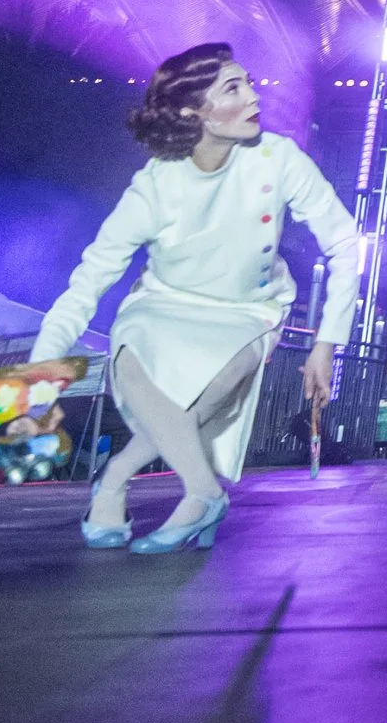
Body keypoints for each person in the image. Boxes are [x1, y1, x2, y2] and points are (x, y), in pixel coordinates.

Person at [28, 42, 360, 553]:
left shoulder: (279, 159)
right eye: (233, 88)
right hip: (162, 305)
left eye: (249, 82)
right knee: (135, 360)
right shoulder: (154, 187)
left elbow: (344, 243)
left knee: (200, 395)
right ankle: (204, 493)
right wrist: (38, 380)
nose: (253, 97)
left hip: (251, 311)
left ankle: (114, 477)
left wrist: (326, 342)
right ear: (192, 112)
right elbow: (88, 282)